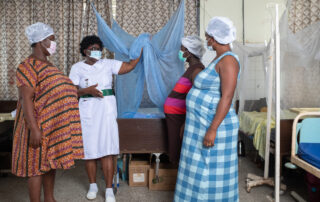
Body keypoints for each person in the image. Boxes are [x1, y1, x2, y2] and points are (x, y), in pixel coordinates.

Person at [12, 22, 84, 202]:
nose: (54, 43)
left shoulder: (50, 66)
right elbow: (25, 98)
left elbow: (58, 92)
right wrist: (34, 128)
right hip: (37, 124)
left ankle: (49, 199)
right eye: (51, 39)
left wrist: (84, 91)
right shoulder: (28, 66)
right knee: (35, 166)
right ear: (39, 41)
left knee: (50, 164)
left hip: (52, 126)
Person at [174, 16, 240, 201]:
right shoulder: (217, 59)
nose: (206, 40)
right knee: (196, 170)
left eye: (207, 36)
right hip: (199, 124)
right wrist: (187, 122)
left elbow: (227, 97)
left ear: (215, 37)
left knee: (211, 172)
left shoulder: (229, 61)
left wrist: (212, 129)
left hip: (214, 125)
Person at [69, 35, 142, 202]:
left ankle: (109, 189)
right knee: (90, 151)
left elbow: (130, 66)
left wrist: (141, 51)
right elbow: (70, 91)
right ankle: (93, 185)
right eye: (92, 48)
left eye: (98, 49)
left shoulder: (108, 64)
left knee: (107, 150)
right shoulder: (77, 68)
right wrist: (87, 90)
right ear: (84, 50)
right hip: (88, 110)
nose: (96, 51)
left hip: (107, 109)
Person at [164, 35, 205, 164]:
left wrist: (186, 122)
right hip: (175, 117)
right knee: (176, 149)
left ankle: (181, 180)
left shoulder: (197, 70)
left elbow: (197, 98)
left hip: (180, 118)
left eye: (182, 49)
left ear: (189, 52)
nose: (181, 52)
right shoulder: (192, 68)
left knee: (180, 151)